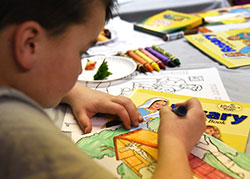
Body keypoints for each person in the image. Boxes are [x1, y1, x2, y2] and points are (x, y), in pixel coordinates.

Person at [0, 0, 206, 178]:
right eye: (81, 53)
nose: (79, 70)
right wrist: (175, 141)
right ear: (29, 44)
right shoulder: (19, 133)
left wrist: (72, 91)